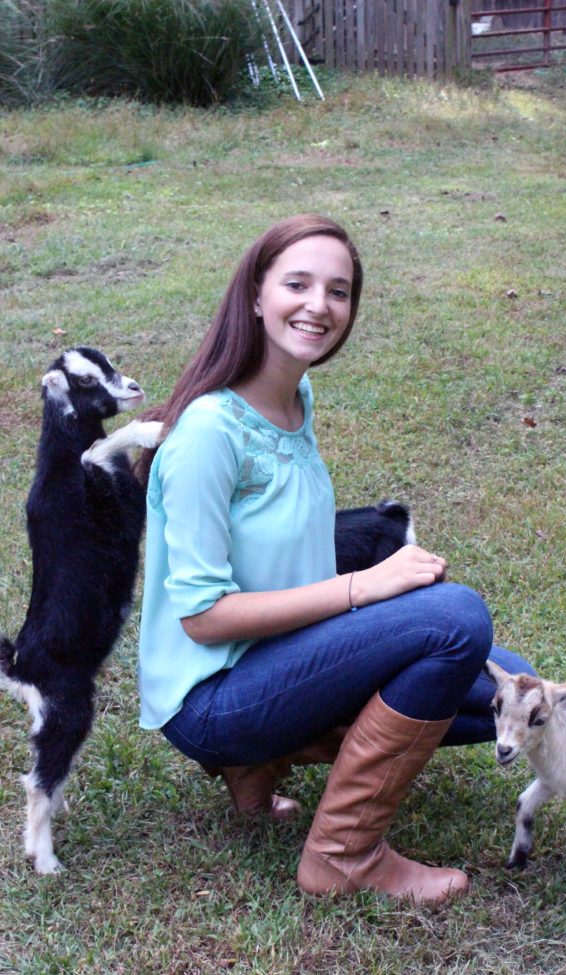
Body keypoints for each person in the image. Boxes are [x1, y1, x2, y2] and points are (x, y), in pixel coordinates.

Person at [137, 214, 534, 906]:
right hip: (211, 698)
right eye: (297, 284)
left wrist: (373, 618)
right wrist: (363, 589)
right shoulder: (207, 434)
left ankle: (266, 757)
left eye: (338, 291)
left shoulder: (295, 399)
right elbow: (202, 617)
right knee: (456, 620)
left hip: (279, 657)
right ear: (255, 294)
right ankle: (342, 855)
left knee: (509, 690)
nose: (319, 305)